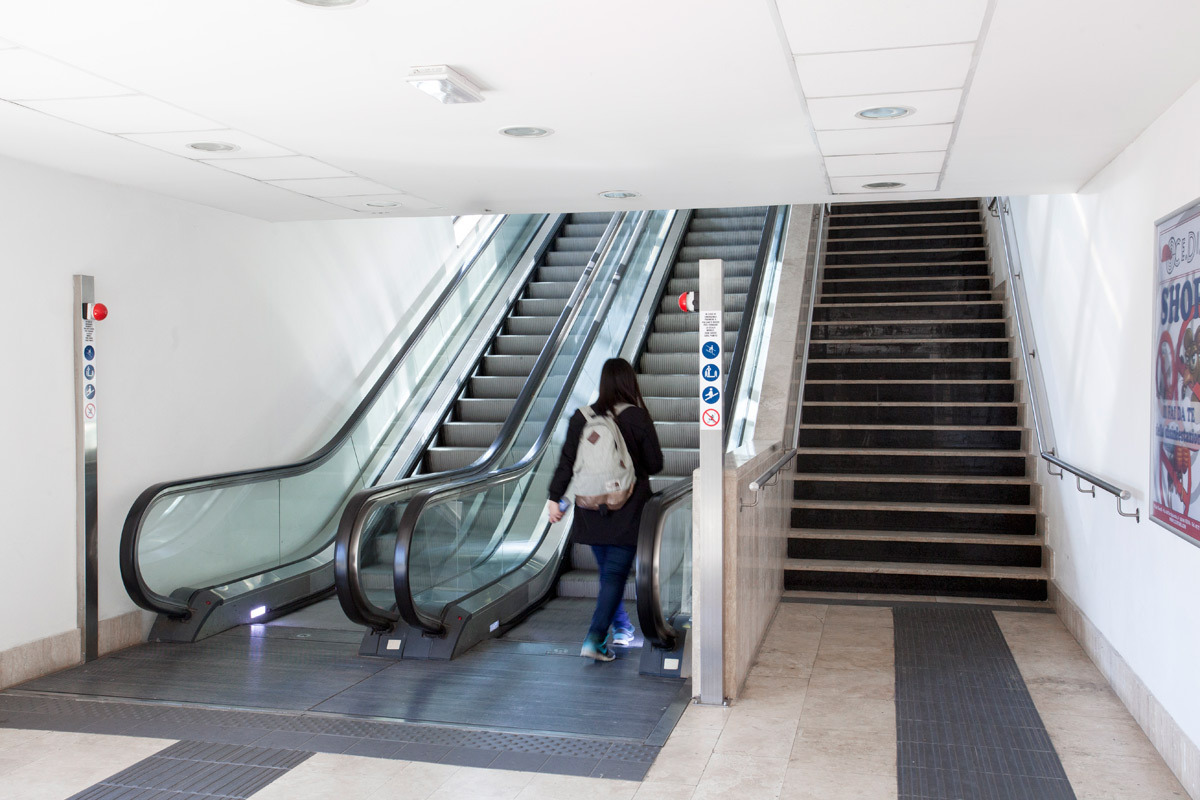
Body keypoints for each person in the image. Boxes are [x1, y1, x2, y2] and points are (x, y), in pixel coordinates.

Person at [548, 358, 663, 661]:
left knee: (608, 575)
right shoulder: (637, 417)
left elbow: (567, 463)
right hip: (628, 507)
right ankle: (595, 638)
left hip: (590, 508)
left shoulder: (581, 417)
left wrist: (554, 498)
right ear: (630, 382)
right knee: (613, 576)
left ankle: (622, 628)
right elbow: (656, 464)